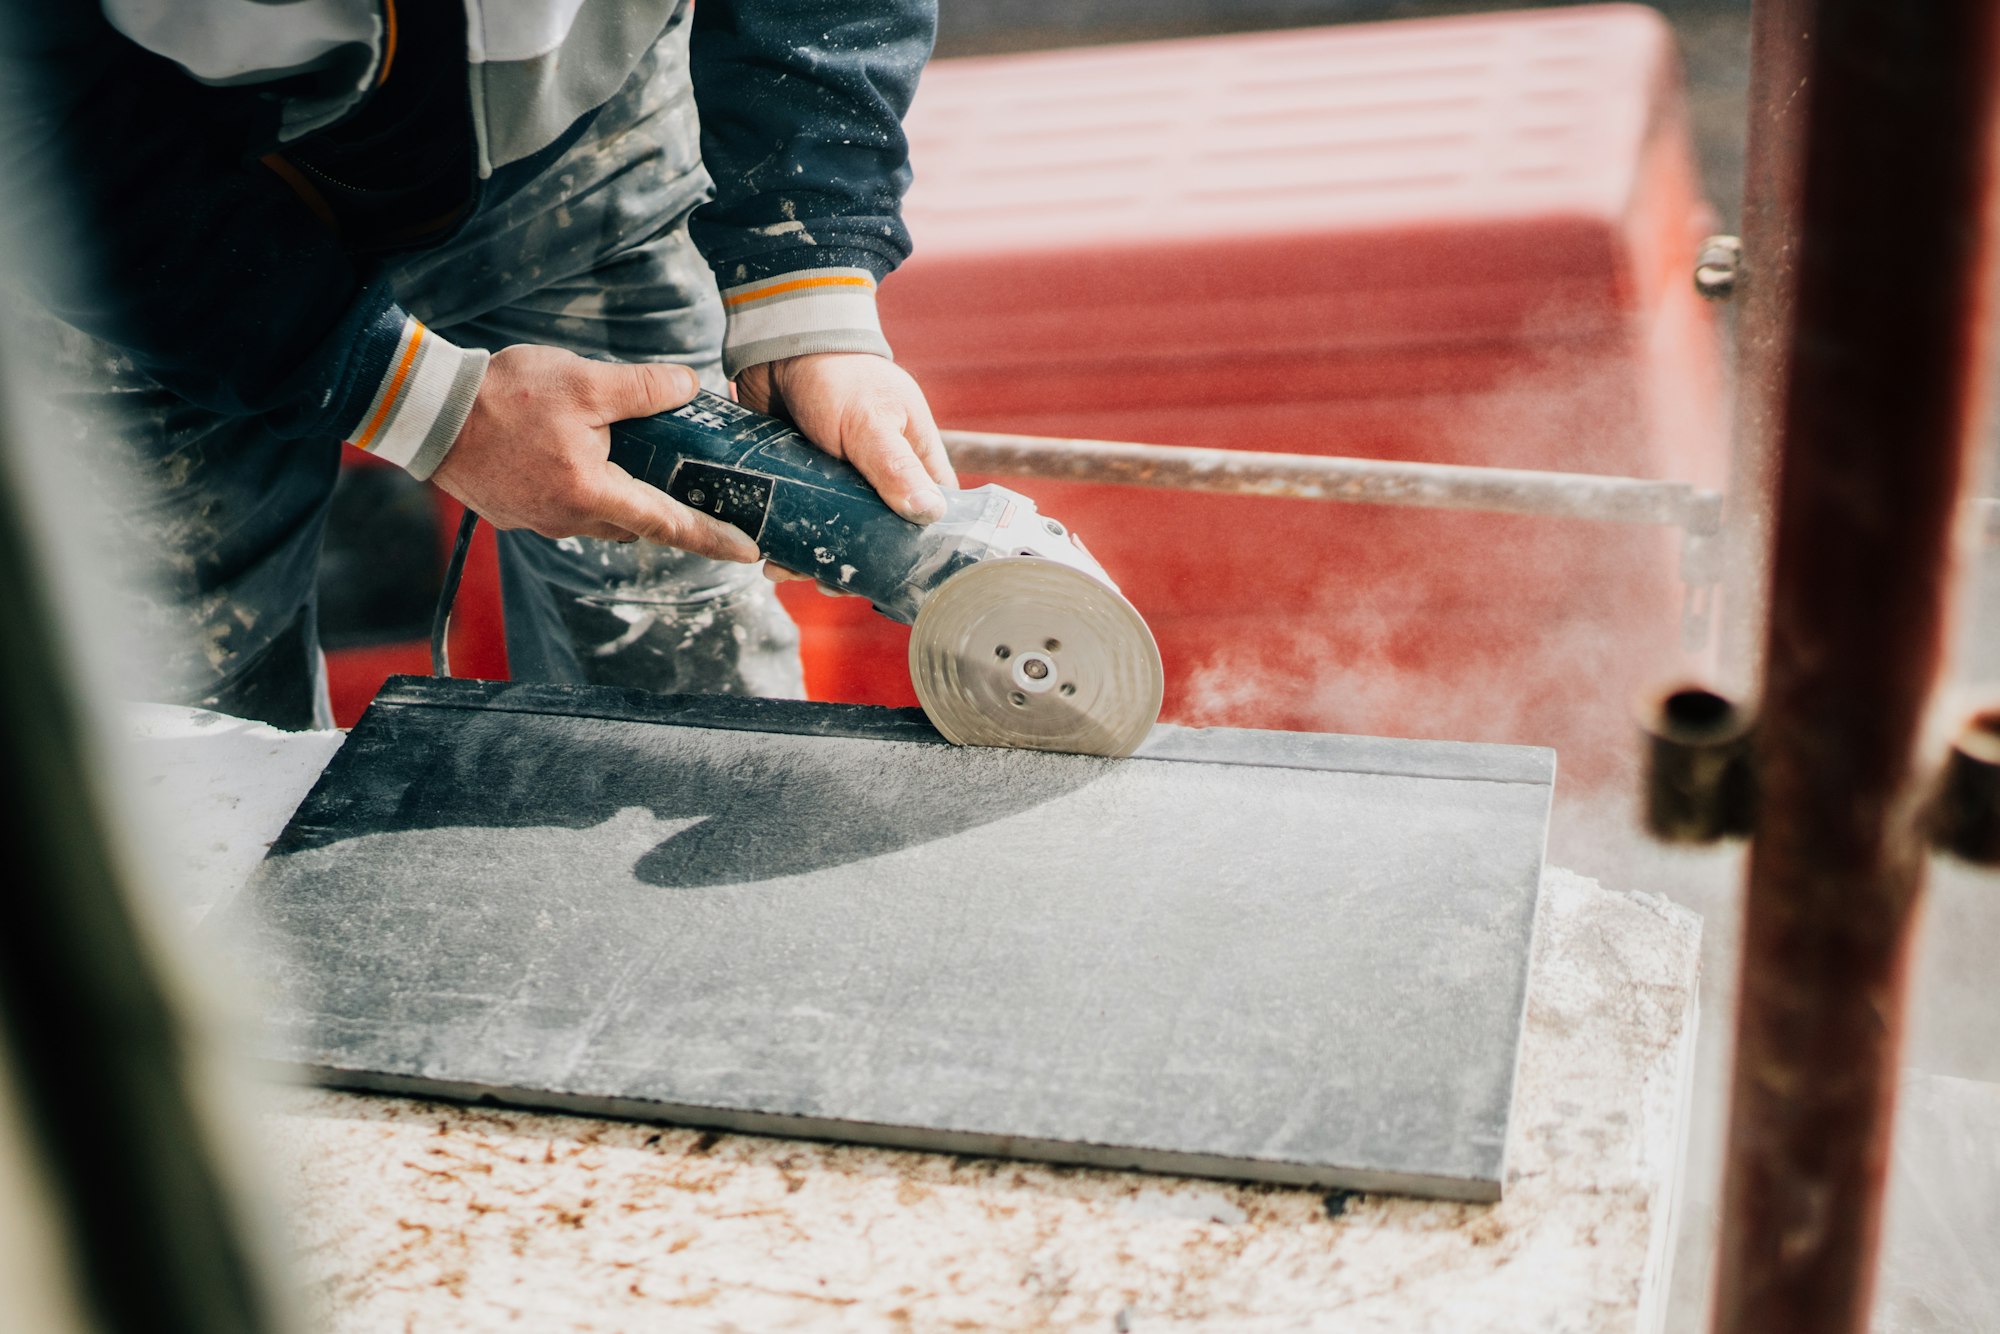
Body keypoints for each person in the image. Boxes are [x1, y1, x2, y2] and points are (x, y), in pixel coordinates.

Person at [0, 0, 955, 728]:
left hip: (584, 150)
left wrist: (809, 282)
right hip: (133, 222)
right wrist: (418, 403)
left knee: (683, 661)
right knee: (174, 729)